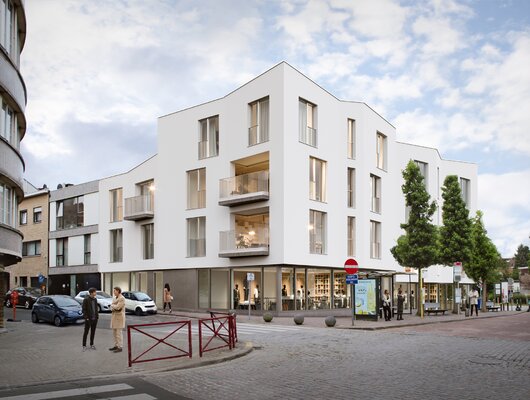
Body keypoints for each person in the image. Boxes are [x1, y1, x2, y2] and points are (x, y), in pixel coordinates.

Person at [109, 286, 126, 353]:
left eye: (115, 291)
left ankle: (120, 347)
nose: (114, 292)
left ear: (118, 291)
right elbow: (112, 307)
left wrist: (113, 306)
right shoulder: (114, 298)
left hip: (119, 318)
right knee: (114, 333)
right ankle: (116, 345)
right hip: (114, 317)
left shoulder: (122, 298)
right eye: (113, 291)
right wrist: (113, 306)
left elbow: (118, 307)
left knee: (119, 333)